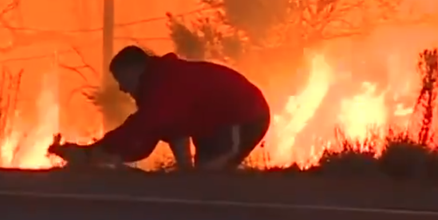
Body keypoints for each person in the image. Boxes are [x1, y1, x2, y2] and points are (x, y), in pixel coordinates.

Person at [48, 45, 271, 170]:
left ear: (134, 70)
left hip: (244, 115)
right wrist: (185, 168)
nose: (122, 89)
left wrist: (93, 153)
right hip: (216, 122)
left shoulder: (163, 84)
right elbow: (173, 129)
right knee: (198, 180)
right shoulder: (159, 83)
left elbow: (142, 129)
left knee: (208, 179)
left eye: (121, 79)